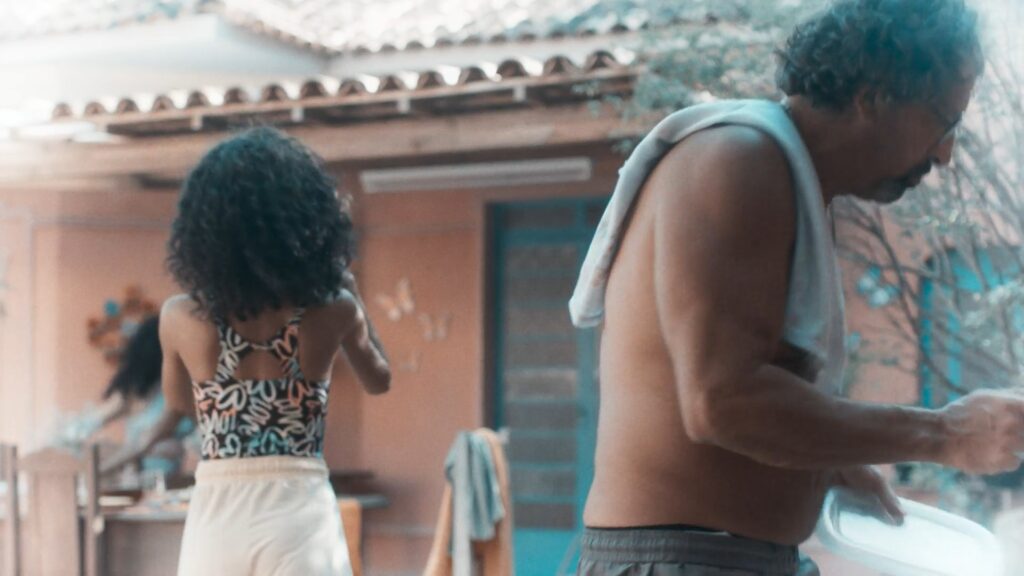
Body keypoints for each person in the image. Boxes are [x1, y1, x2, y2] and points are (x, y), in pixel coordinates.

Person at [569, 1, 1024, 574]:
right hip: (683, 562)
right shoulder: (740, 159)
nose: (945, 153)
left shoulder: (792, 179)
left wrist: (828, 456)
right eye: (943, 121)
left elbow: (748, 387)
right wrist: (944, 434)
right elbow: (724, 403)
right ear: (875, 96)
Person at [160, 126, 390, 576]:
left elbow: (179, 405)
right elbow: (379, 379)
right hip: (301, 515)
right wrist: (355, 299)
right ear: (306, 222)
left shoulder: (180, 315)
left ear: (204, 229)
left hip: (218, 517)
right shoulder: (334, 308)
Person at [92, 315, 196, 477]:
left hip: (162, 479)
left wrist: (98, 471)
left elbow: (145, 442)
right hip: (140, 478)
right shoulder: (137, 392)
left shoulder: (176, 392)